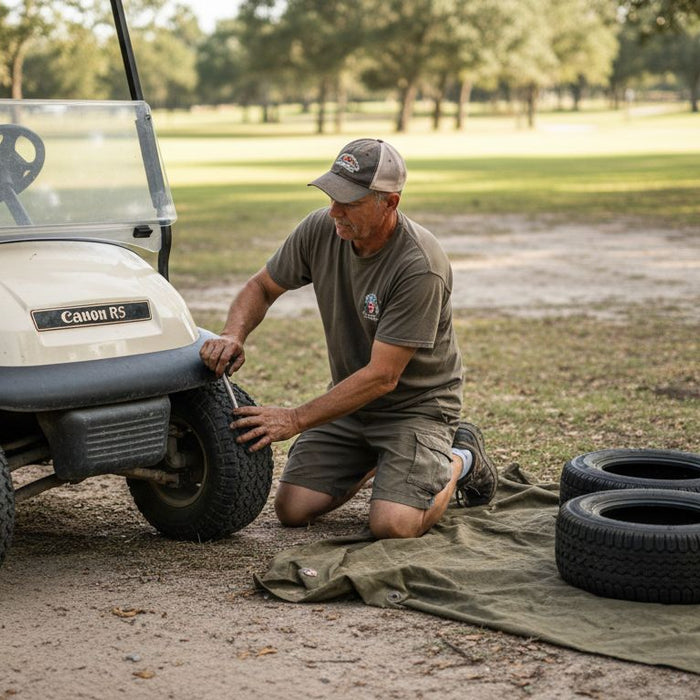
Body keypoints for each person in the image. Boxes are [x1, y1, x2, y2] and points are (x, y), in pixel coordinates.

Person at [200, 138, 497, 539]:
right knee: (293, 509)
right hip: (352, 406)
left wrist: (295, 419)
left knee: (393, 526)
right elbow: (263, 286)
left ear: (389, 203)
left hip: (415, 410)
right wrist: (232, 335)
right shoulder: (321, 228)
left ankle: (460, 456)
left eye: (351, 202)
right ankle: (387, 463)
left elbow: (383, 377)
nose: (335, 211)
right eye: (332, 195)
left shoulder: (420, 266)